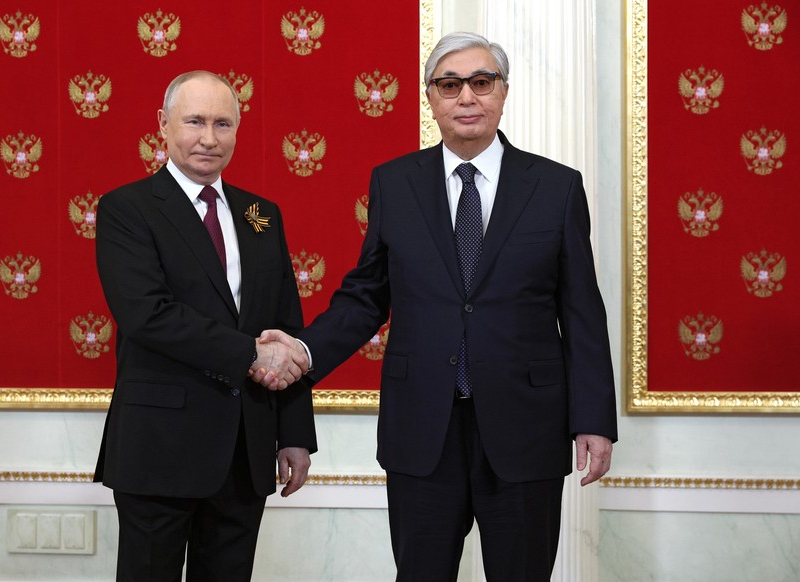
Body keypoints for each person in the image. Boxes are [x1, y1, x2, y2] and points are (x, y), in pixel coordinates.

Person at [254, 32, 617, 581]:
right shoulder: (395, 183)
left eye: (480, 82)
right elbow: (365, 296)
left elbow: (583, 311)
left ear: (503, 92)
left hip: (526, 428)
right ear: (431, 98)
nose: (466, 97)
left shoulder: (557, 187)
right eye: (450, 85)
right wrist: (304, 350)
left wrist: (593, 419)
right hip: (423, 428)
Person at [94, 70, 316, 582]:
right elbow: (148, 315)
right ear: (163, 125)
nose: (209, 138)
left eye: (223, 123)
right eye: (194, 121)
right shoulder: (127, 209)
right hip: (159, 449)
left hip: (246, 448)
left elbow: (286, 325)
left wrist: (295, 433)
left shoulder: (262, 215)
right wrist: (250, 355)